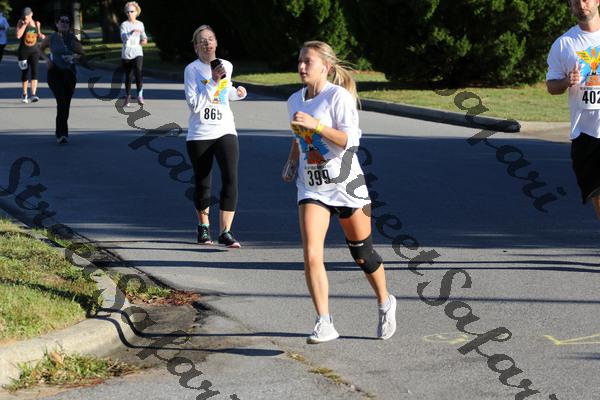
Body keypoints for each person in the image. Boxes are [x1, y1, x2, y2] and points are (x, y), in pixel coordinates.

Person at [283, 40, 397, 344]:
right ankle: (324, 321)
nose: (301, 66)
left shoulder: (338, 97)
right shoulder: (294, 100)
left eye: (308, 61)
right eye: (300, 60)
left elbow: (350, 142)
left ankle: (385, 301)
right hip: (312, 186)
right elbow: (298, 135)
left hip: (347, 185)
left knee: (362, 254)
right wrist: (292, 162)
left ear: (326, 67)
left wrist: (317, 126)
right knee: (311, 254)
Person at [184, 25, 247, 248]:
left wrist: (236, 93)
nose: (207, 43)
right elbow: (195, 104)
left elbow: (224, 91)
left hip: (225, 128)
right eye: (202, 41)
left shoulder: (226, 66)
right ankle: (203, 227)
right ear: (196, 46)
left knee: (231, 178)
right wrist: (212, 80)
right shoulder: (191, 70)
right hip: (200, 133)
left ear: (216, 43)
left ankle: (225, 232)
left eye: (210, 39)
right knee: (203, 182)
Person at [547, 0, 600, 217]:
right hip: (586, 135)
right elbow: (551, 86)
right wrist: (567, 81)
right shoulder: (564, 44)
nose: (581, 4)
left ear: (597, 1)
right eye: (575, 1)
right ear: (570, 6)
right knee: (598, 196)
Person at [39, 13, 83, 144]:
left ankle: (64, 132)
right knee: (61, 102)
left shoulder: (72, 38)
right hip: (54, 73)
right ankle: (61, 133)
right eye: (62, 21)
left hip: (69, 74)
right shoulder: (50, 38)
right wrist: (47, 60)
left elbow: (81, 54)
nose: (64, 23)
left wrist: (72, 57)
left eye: (67, 22)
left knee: (66, 104)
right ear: (57, 24)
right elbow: (40, 49)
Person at [120, 1, 147, 107]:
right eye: (127, 12)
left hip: (138, 52)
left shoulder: (140, 24)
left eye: (131, 11)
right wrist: (131, 33)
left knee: (138, 72)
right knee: (129, 76)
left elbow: (144, 37)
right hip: (126, 53)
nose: (129, 13)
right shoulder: (124, 25)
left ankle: (140, 95)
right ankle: (128, 96)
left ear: (136, 12)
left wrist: (144, 40)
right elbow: (123, 37)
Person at [16, 7, 45, 103]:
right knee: (25, 73)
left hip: (35, 51)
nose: (25, 17)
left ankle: (33, 94)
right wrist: (24, 25)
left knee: (35, 73)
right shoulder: (20, 22)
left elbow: (38, 35)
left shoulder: (37, 23)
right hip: (23, 52)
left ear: (31, 14)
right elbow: (18, 35)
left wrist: (41, 36)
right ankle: (24, 94)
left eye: (27, 15)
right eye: (24, 16)